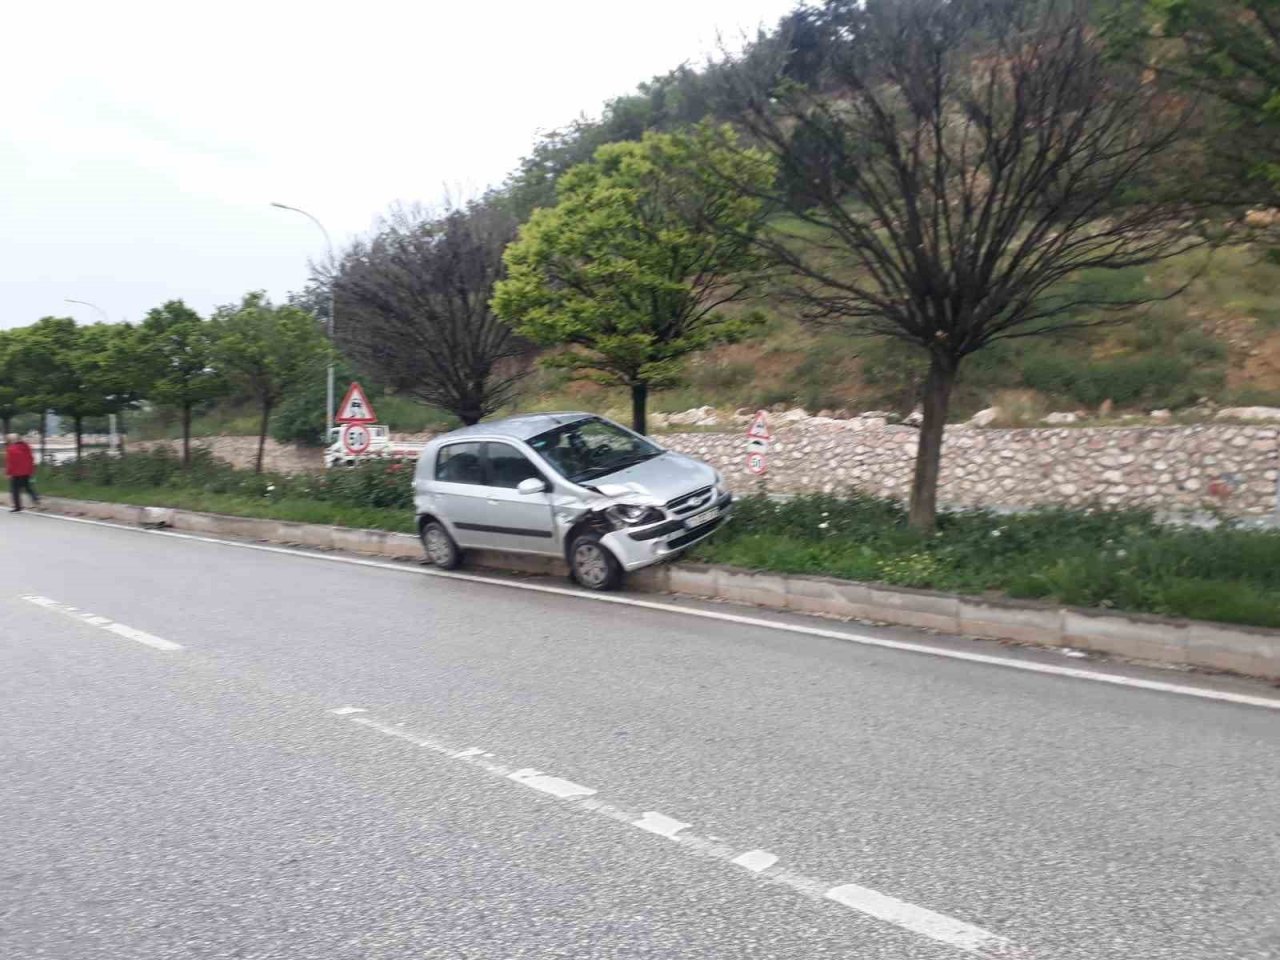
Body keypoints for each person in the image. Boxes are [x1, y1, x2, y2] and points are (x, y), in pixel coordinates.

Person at [4, 434, 39, 512]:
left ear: (12, 440)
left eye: (9, 440)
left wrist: (8, 473)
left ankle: (18, 507)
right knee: (28, 487)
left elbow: (10, 462)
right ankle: (37, 501)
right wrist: (31, 470)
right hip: (26, 472)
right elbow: (31, 458)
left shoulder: (11, 449)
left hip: (16, 473)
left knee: (15, 490)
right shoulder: (27, 446)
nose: (9, 441)